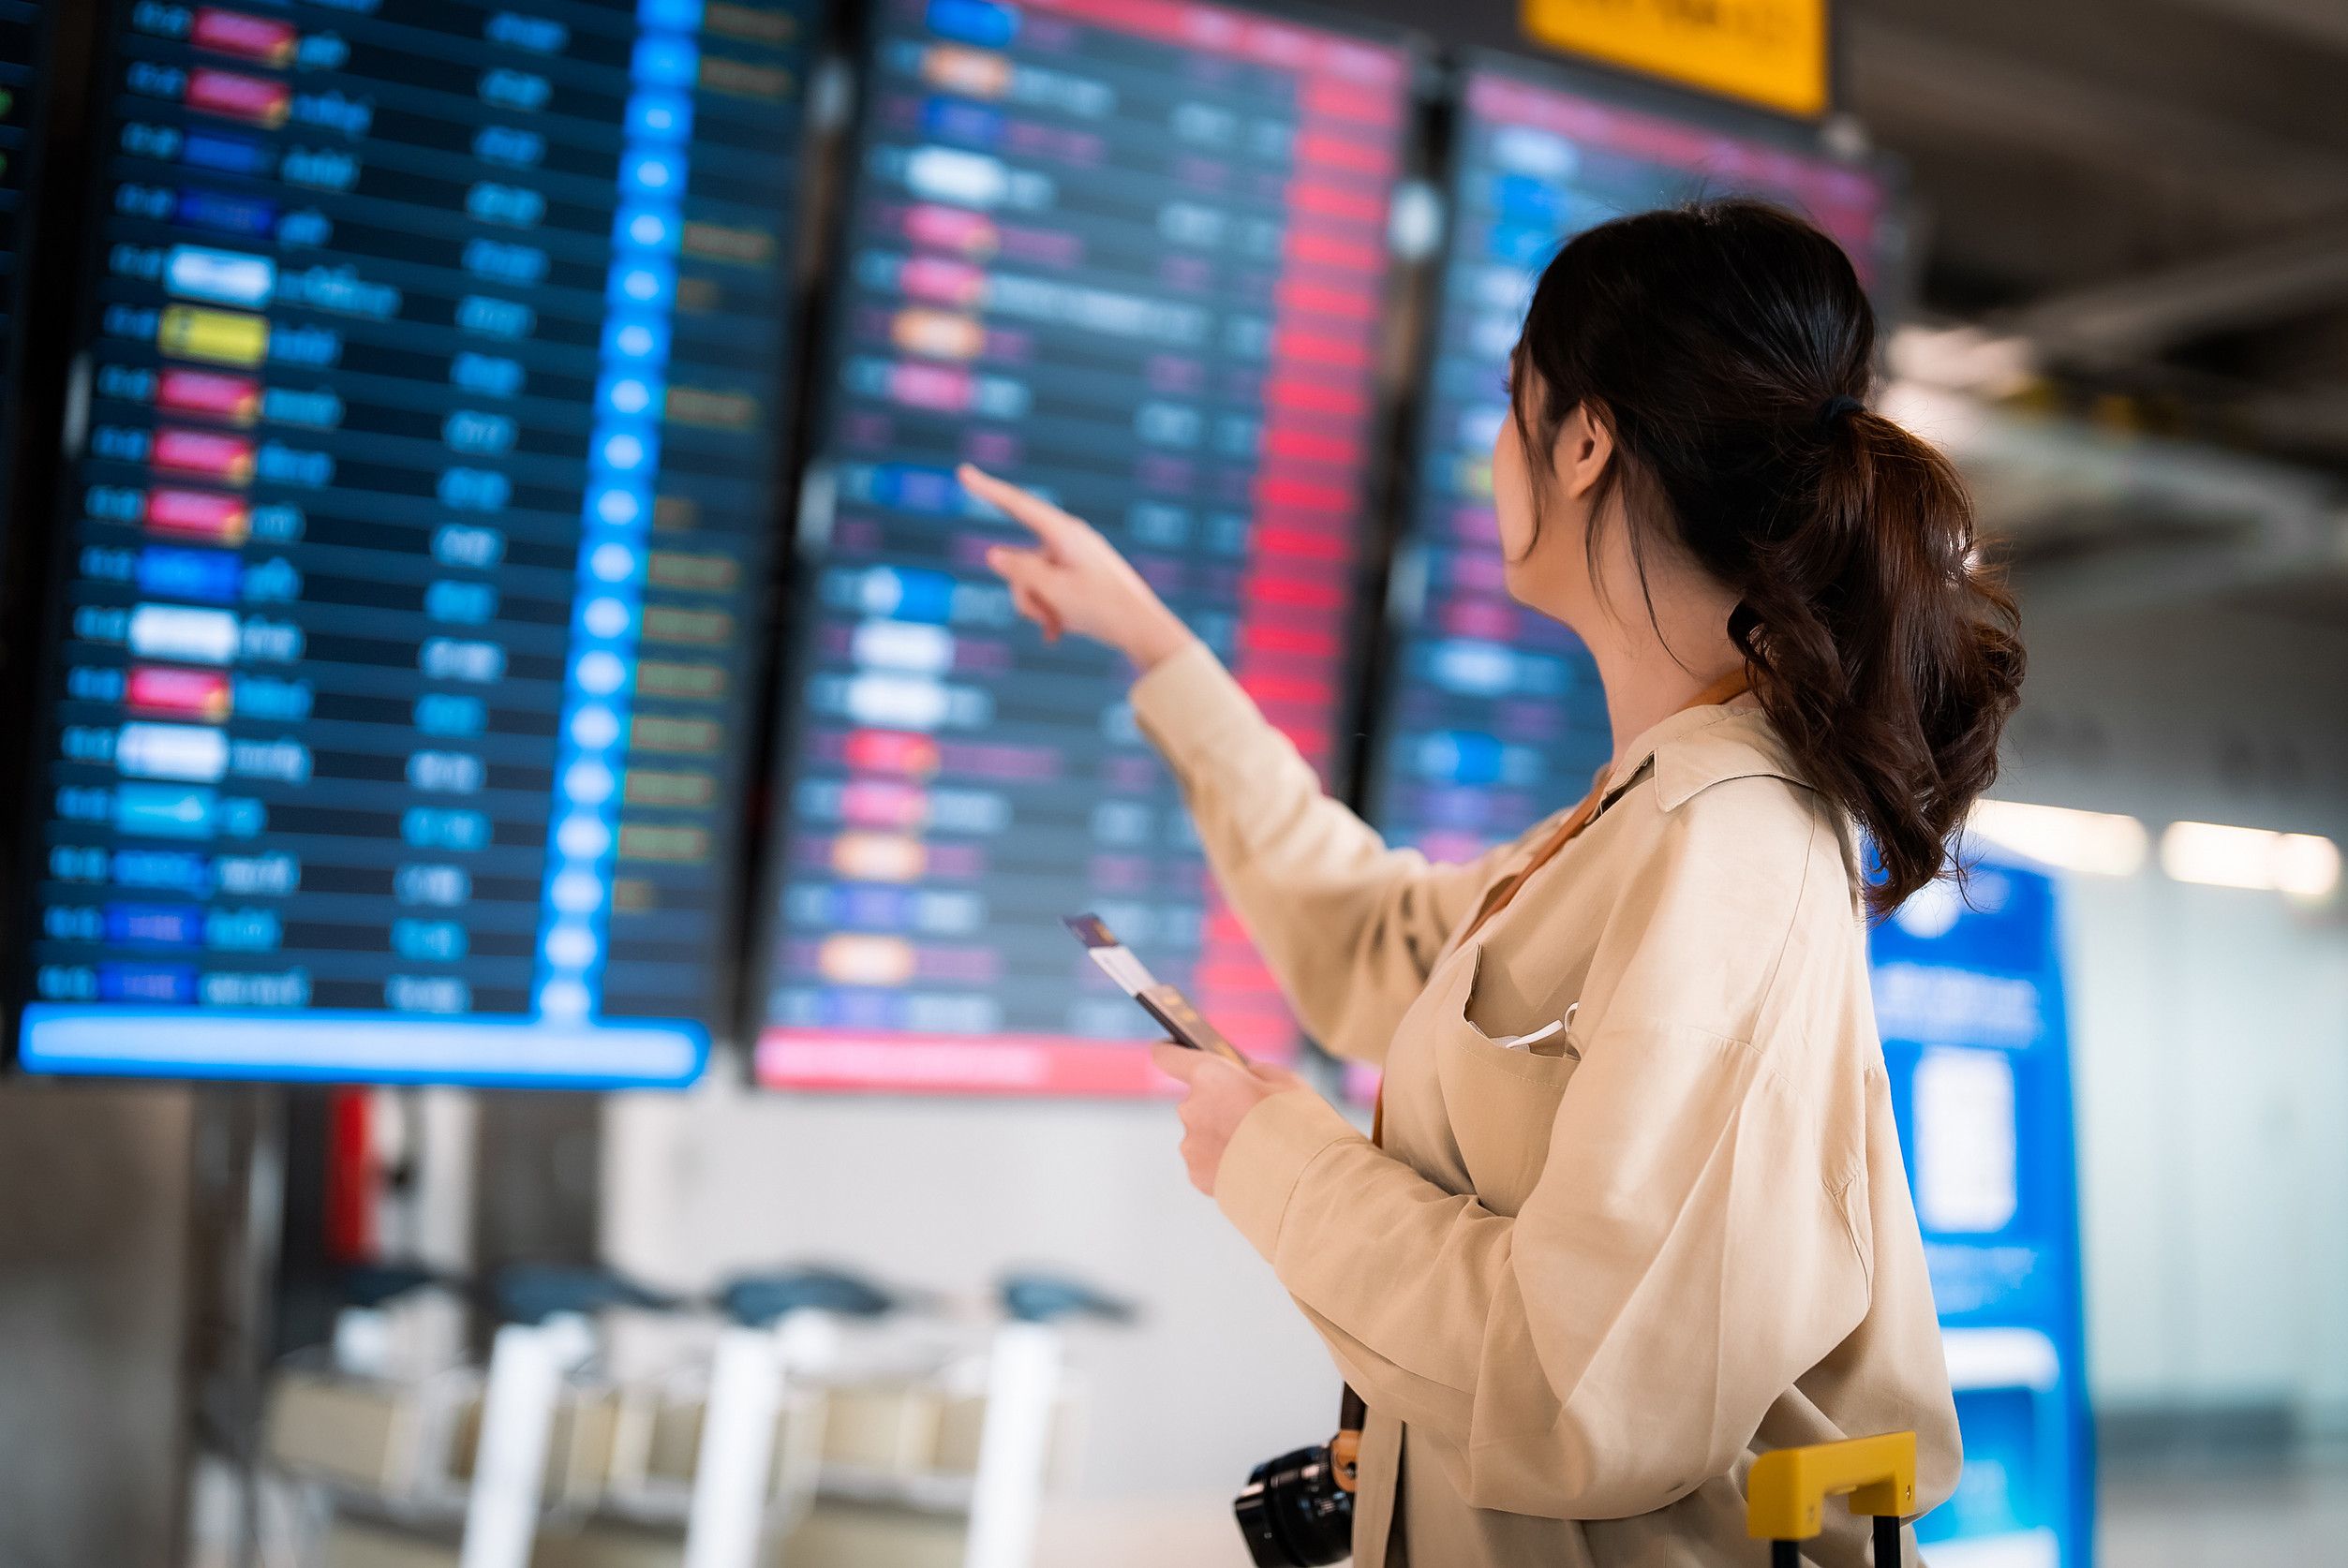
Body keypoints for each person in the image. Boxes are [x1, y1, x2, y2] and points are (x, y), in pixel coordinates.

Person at [962, 198, 2020, 1567]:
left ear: (1581, 438)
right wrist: (1157, 646)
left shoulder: (1728, 846)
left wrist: (1274, 1158)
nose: (1489, 455)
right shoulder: (1628, 821)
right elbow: (1367, 939)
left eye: (1509, 401)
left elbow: (1579, 1381)